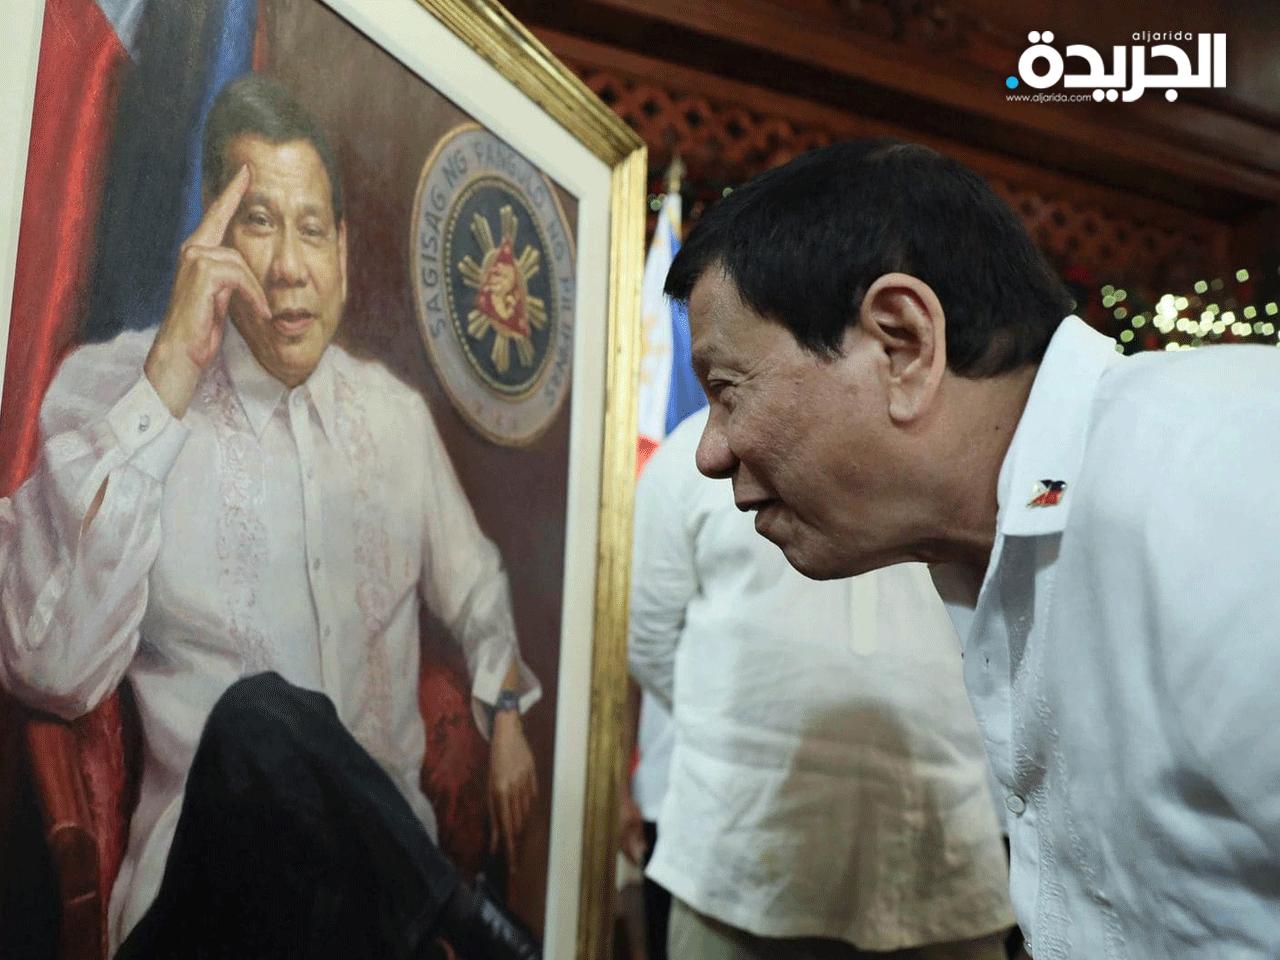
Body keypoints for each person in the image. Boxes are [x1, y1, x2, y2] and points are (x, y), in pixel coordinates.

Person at [662, 139, 1280, 959]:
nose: (709, 453)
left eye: (727, 391)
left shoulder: (1224, 475)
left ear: (903, 343)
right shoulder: (993, 545)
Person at [0, 74, 541, 960]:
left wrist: (507, 707)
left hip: (373, 916)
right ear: (209, 239)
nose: (289, 266)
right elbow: (45, 665)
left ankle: (438, 916)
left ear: (344, 254)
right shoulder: (119, 392)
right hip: (211, 909)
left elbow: (477, 587)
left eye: (312, 229)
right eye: (258, 223)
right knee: (258, 715)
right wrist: (169, 380)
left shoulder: (394, 421)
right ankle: (460, 919)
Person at [629, 408, 1014, 960]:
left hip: (941, 852)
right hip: (735, 856)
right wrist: (741, 727)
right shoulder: (695, 457)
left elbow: (1010, 630)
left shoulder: (960, 447)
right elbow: (648, 634)